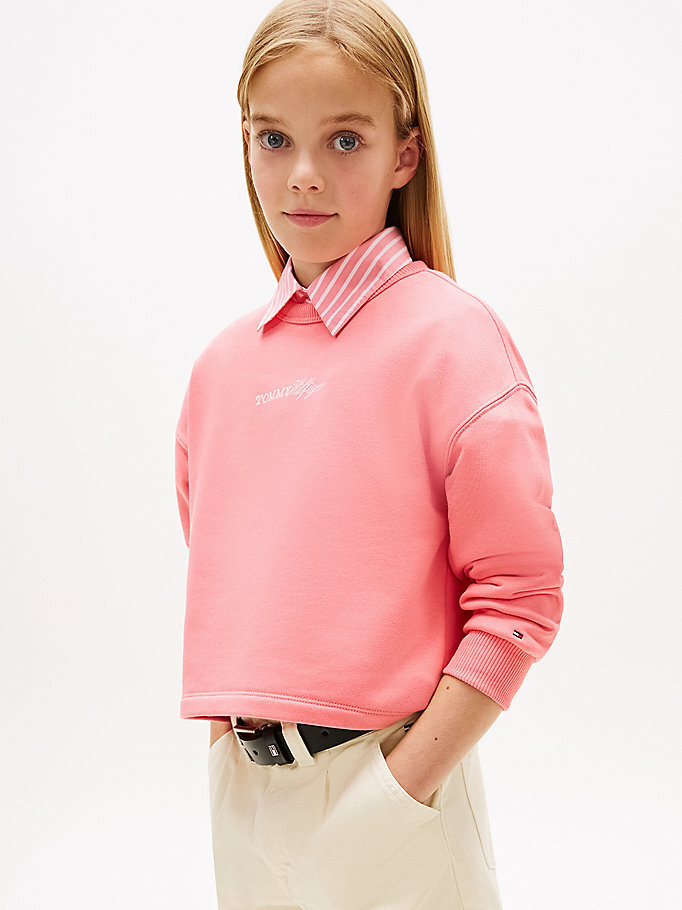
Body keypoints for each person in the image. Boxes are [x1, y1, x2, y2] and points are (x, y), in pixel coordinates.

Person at [173, 1, 564, 907]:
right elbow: (231, 576)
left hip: (390, 790)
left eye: (345, 140)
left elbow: (520, 597)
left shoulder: (453, 342)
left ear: (404, 155)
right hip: (247, 799)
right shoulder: (222, 369)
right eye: (273, 138)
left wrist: (402, 786)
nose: (304, 174)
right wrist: (230, 753)